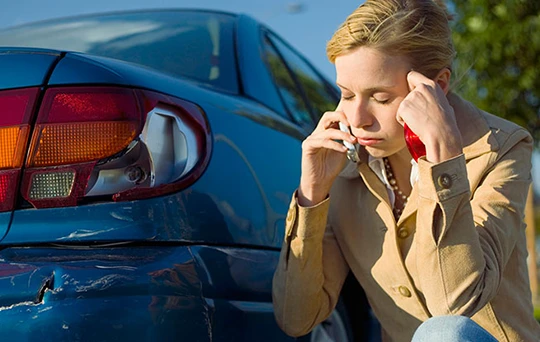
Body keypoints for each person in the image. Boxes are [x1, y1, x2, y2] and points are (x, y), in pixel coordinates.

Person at [272, 0, 540, 341]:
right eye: (346, 94)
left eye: (381, 98)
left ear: (436, 87)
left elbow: (454, 305)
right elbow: (296, 318)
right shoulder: (344, 169)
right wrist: (312, 194)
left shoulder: (501, 149)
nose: (358, 119)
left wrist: (442, 162)